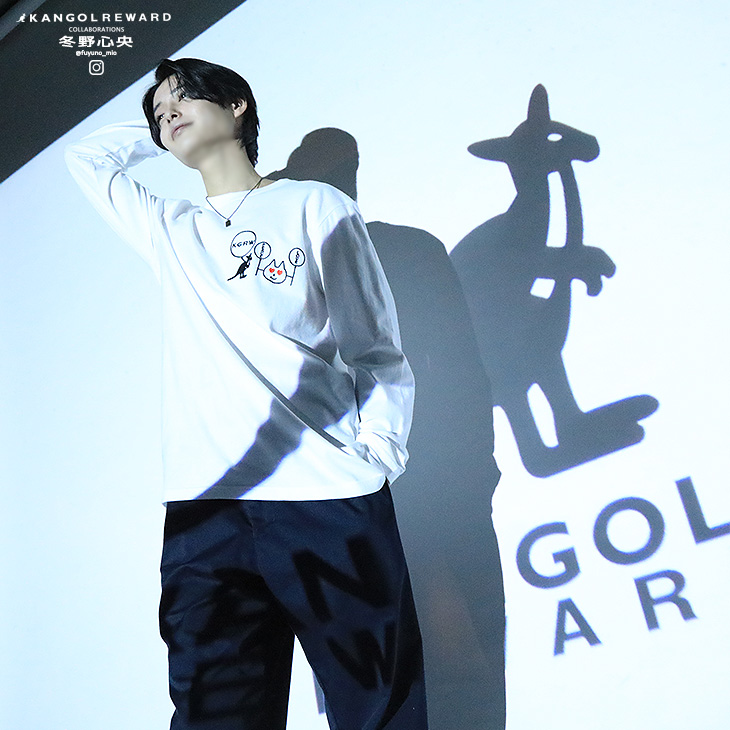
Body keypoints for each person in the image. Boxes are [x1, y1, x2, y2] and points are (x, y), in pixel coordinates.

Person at [64, 57, 427, 730]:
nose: (167, 111)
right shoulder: (170, 228)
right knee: (214, 714)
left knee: (375, 705)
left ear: (237, 105)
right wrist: (164, 131)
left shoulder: (315, 205)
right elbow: (87, 159)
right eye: (158, 108)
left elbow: (374, 347)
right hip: (206, 510)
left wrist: (376, 456)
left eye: (183, 98)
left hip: (326, 499)